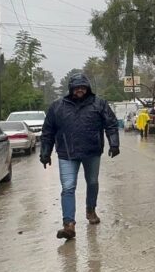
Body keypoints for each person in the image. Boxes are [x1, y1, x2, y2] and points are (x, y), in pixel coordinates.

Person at [40, 73, 120, 240]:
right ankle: (69, 224)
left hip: (92, 152)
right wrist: (45, 152)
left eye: (83, 87)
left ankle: (91, 210)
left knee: (92, 182)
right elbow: (48, 132)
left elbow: (111, 124)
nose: (80, 90)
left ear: (88, 88)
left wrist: (114, 143)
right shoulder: (57, 107)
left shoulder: (99, 104)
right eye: (77, 87)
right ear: (71, 89)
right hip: (67, 154)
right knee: (68, 187)